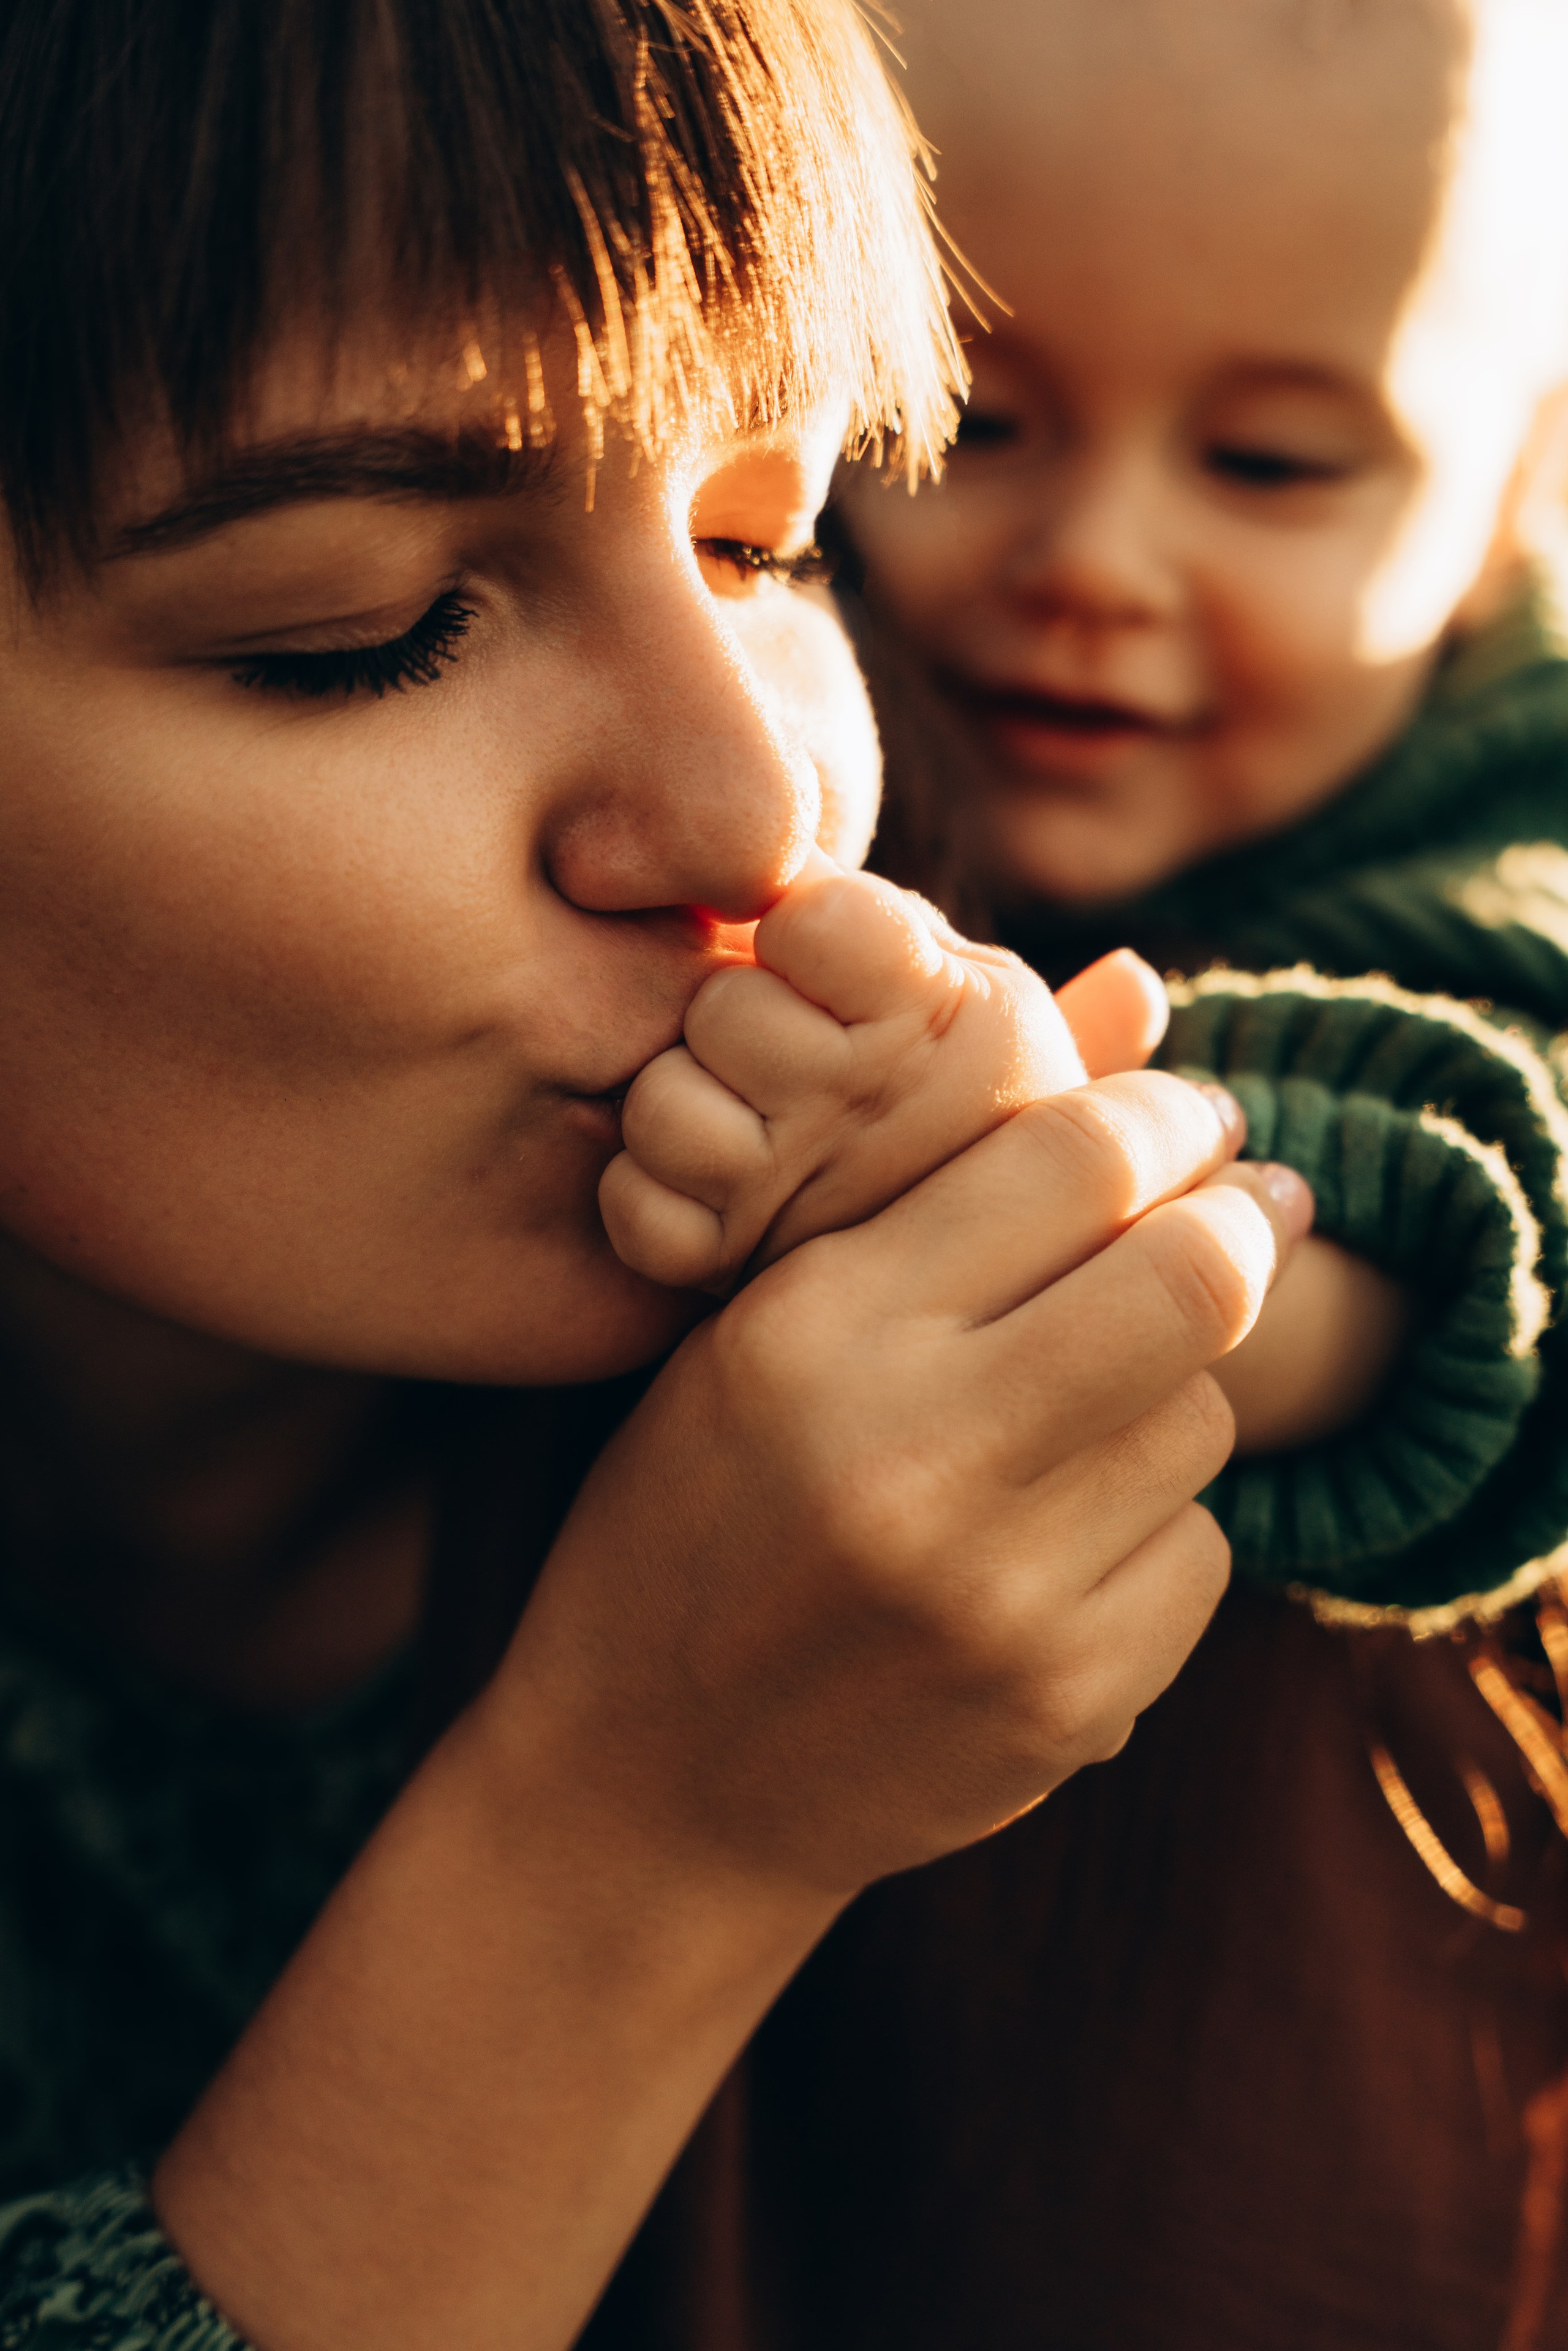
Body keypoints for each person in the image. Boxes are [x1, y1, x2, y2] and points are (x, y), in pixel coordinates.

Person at [0, 1, 1336, 2346]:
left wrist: (1216, 1273)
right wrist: (636, 1842)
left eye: (766, 544)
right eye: (368, 634)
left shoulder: (1049, 847)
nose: (757, 815)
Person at [817, 0, 1568, 2341]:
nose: (1093, 559)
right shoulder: (775, 745)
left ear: (1513, 492)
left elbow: (1483, 1185)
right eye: (973, 416)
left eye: (1266, 463)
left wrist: (1129, 1249)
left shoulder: (1518, 830)